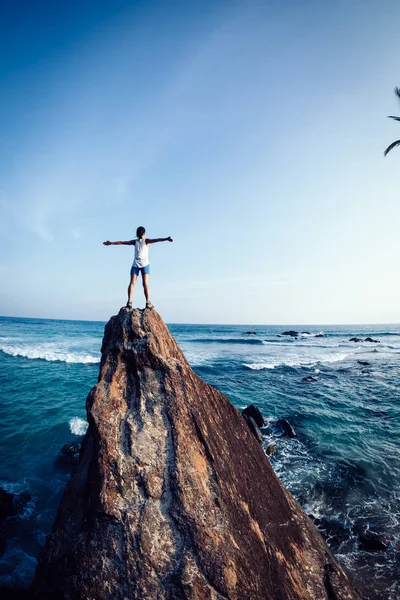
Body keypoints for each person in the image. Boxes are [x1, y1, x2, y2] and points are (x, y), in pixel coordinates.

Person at [103, 226, 173, 309]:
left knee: (132, 283)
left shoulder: (135, 242)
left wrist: (111, 243)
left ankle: (130, 301)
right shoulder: (146, 241)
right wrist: (166, 239)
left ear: (137, 234)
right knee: (145, 284)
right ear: (144, 233)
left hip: (137, 265)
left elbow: (122, 242)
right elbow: (157, 240)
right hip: (143, 265)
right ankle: (147, 302)